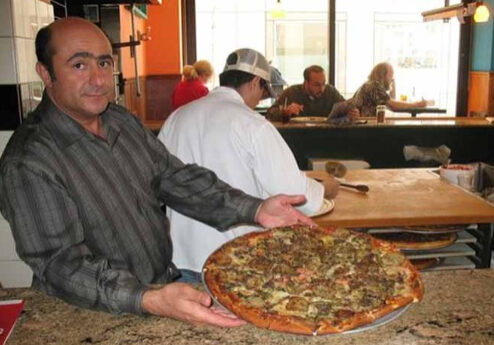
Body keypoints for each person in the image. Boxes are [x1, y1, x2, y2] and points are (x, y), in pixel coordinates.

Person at [0, 18, 315, 328]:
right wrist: (147, 298)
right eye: (79, 65)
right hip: (91, 318)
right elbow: (60, 265)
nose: (98, 79)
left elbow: (175, 178)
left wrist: (255, 208)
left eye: (104, 63)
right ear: (46, 73)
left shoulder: (119, 121)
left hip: (162, 291)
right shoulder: (29, 160)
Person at [158, 48, 339, 283]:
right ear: (255, 82)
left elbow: (157, 182)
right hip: (233, 263)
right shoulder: (253, 125)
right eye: (263, 92)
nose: (259, 101)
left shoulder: (176, 118)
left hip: (179, 261)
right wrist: (325, 189)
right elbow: (294, 193)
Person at [266, 65, 359, 121]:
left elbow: (344, 108)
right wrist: (285, 112)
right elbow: (269, 114)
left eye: (323, 84)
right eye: (317, 85)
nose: (322, 89)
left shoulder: (330, 91)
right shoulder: (292, 92)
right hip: (298, 137)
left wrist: (352, 113)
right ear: (306, 83)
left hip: (327, 137)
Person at [352, 62, 427, 117]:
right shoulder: (374, 86)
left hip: (366, 125)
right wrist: (416, 104)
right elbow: (393, 105)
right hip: (366, 128)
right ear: (382, 75)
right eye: (391, 75)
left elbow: (391, 100)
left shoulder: (370, 84)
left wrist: (392, 86)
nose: (392, 78)